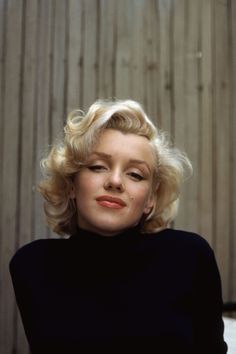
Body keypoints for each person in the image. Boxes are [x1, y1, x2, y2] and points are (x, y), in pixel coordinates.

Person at [9, 99, 227, 354]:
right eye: (98, 167)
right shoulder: (32, 265)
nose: (115, 181)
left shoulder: (190, 256)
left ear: (151, 199)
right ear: (71, 185)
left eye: (135, 174)